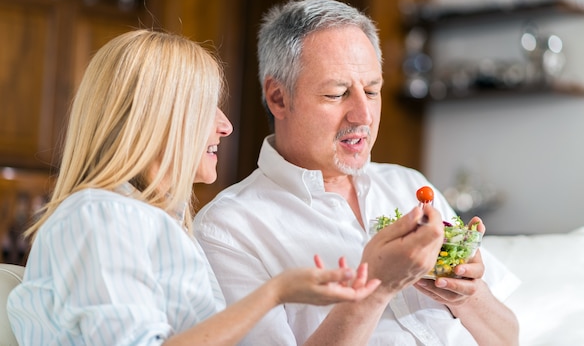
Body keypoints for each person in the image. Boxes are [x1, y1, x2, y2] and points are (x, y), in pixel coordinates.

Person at [6, 29, 381, 345]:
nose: (225, 126)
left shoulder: (154, 222)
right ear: (154, 119)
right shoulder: (102, 216)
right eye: (206, 107)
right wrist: (275, 293)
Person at [193, 0, 521, 345]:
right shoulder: (228, 228)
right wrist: (378, 287)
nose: (363, 115)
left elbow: (507, 337)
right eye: (337, 94)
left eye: (371, 91)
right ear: (278, 98)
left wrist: (470, 295)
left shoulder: (409, 184)